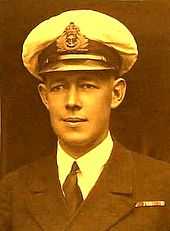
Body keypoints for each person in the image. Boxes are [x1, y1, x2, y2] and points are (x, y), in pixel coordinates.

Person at [0, 9, 170, 231]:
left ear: (116, 93)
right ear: (44, 96)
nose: (72, 101)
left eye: (87, 86)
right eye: (59, 87)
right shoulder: (13, 190)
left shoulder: (161, 185)